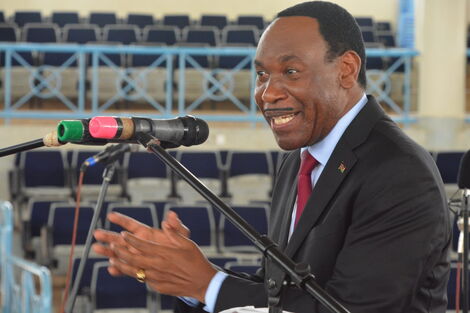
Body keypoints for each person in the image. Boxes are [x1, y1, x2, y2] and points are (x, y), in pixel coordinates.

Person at [92, 1, 451, 312]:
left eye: (290, 72)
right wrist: (187, 281)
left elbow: (352, 309)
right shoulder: (298, 161)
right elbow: (280, 293)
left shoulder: (400, 172)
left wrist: (209, 285)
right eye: (261, 74)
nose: (267, 93)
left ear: (346, 70)